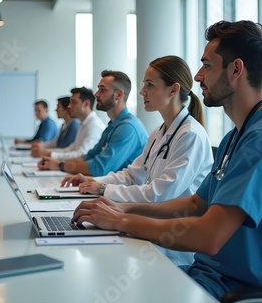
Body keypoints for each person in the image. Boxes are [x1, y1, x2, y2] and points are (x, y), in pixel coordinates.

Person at [71, 20, 262, 299]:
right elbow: (195, 203)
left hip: (245, 289)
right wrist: (123, 210)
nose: (198, 76)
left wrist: (120, 221)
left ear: (236, 69)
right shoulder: (236, 137)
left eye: (207, 65)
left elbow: (210, 236)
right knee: (104, 280)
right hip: (211, 275)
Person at [62, 56, 214, 265]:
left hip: (171, 250)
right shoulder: (159, 132)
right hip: (147, 231)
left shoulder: (191, 135)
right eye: (144, 85)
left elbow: (159, 194)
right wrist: (96, 183)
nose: (142, 92)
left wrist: (103, 189)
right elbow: (132, 175)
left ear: (173, 89)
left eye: (149, 85)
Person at [38, 71, 148, 176]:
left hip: (124, 191)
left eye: (102, 90)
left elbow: (100, 167)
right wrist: (57, 164)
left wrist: (61, 165)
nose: (96, 94)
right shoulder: (113, 125)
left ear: (118, 95)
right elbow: (90, 155)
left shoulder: (128, 127)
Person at [31, 87, 105, 159]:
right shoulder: (83, 124)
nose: (69, 106)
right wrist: (47, 152)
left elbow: (82, 154)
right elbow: (71, 149)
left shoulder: (94, 126)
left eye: (74, 102)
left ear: (86, 104)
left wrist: (48, 153)